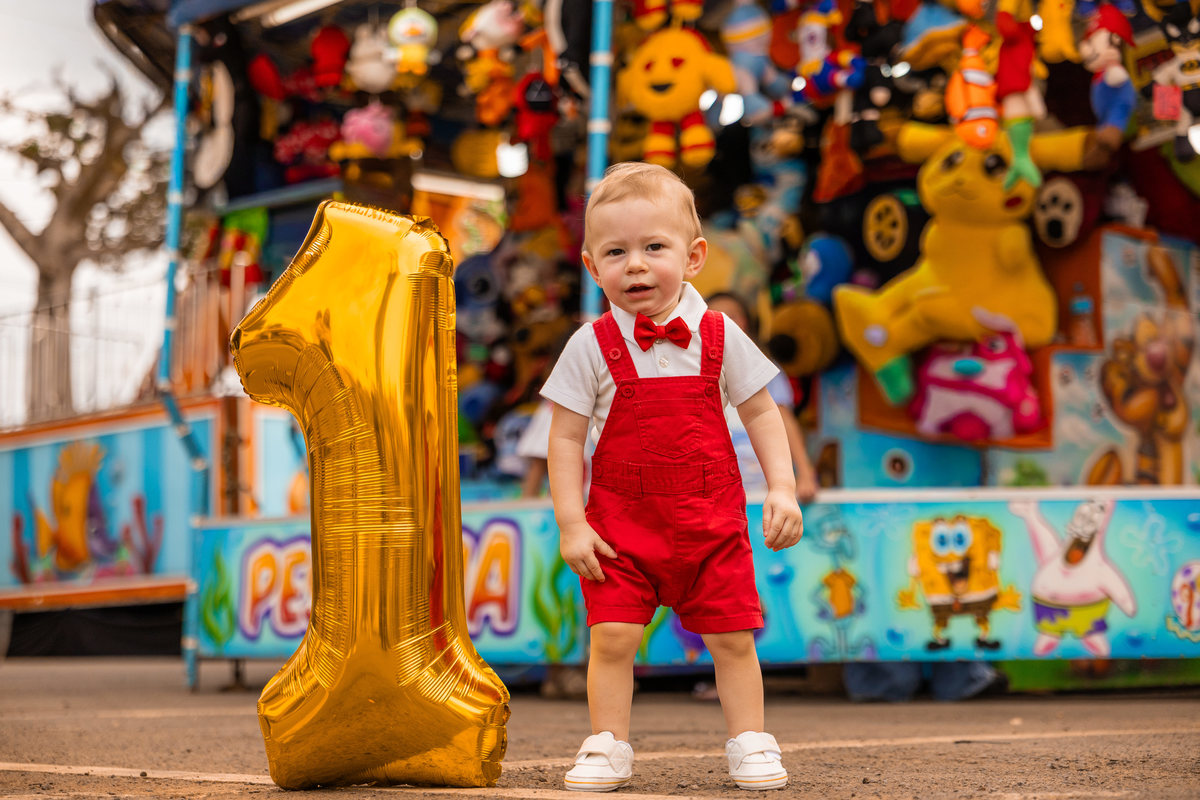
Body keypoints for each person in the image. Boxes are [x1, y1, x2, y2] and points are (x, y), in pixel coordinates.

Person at [542, 162, 804, 792]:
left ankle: (750, 740)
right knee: (611, 637)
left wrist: (784, 488)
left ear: (693, 257)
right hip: (620, 528)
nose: (635, 265)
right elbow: (565, 438)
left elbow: (762, 411)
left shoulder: (719, 332)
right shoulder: (588, 344)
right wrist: (572, 524)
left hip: (709, 520)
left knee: (734, 639)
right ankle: (608, 744)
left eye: (653, 247)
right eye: (615, 252)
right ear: (590, 265)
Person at [705, 291, 819, 504]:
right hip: (716, 491)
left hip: (761, 487)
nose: (725, 322)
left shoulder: (762, 366)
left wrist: (805, 473)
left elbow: (784, 420)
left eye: (732, 316)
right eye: (716, 316)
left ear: (745, 321)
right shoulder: (692, 368)